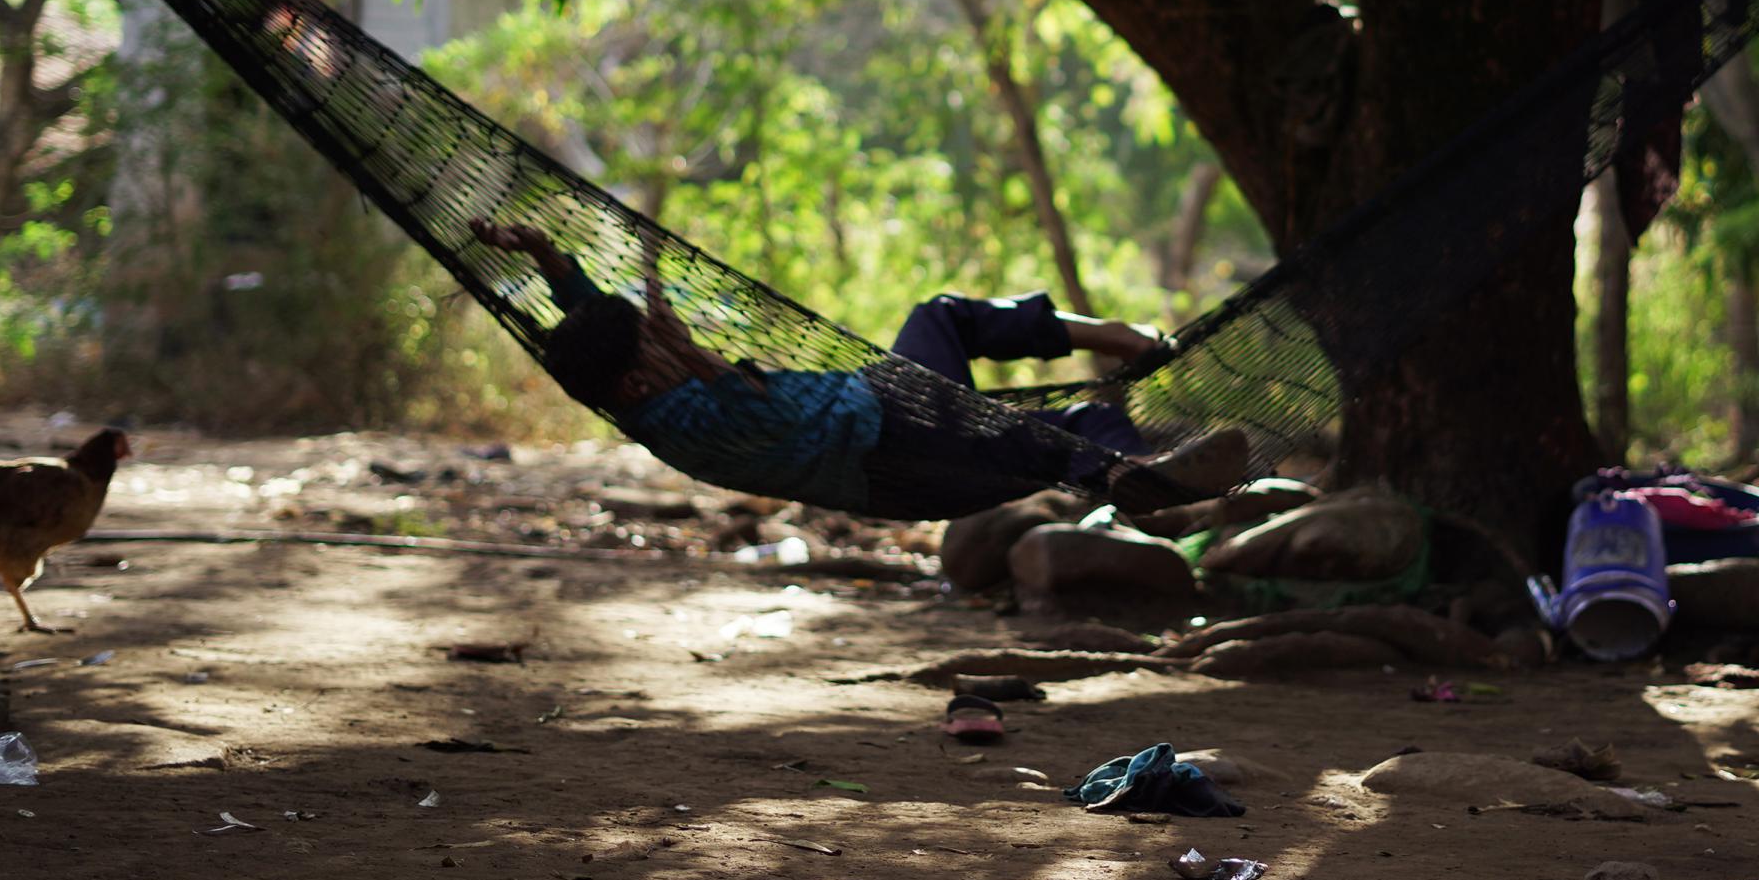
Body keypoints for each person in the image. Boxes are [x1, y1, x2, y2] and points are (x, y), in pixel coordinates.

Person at [469, 220, 1250, 521]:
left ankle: (1138, 472)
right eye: (649, 347)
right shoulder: (694, 411)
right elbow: (731, 386)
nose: (656, 342)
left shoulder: (630, 400)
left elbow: (592, 325)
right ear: (638, 380)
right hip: (891, 424)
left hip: (901, 486)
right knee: (944, 316)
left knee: (1064, 437)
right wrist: (682, 332)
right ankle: (1120, 342)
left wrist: (541, 252)